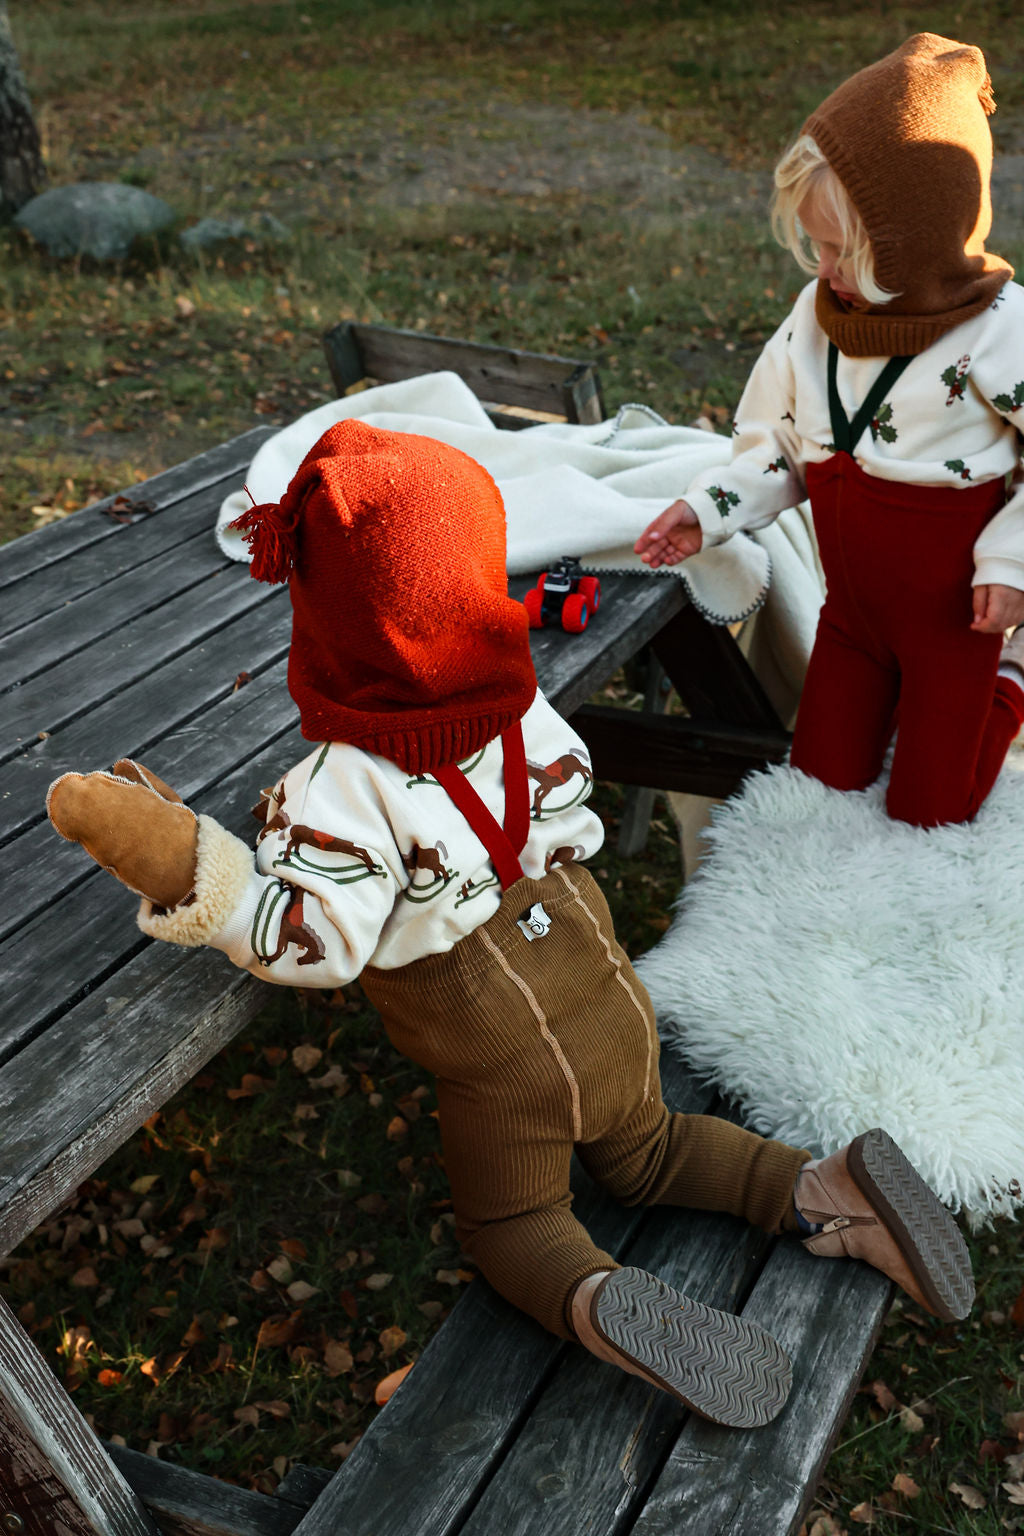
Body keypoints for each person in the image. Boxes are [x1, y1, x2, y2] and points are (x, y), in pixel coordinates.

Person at [47, 420, 973, 1428]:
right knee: (653, 1146)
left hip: (501, 1052)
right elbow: (565, 812)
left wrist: (194, 863)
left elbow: (307, 942)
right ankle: (824, 1186)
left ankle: (596, 1294)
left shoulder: (343, 790)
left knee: (514, 1221)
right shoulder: (522, 707)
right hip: (602, 984)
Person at [636, 32, 1024, 829]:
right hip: (851, 618)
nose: (822, 269)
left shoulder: (998, 331)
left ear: (916, 245)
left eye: (842, 250)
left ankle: (1011, 684)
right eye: (814, 244)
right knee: (820, 783)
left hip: (954, 621)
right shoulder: (816, 322)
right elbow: (777, 444)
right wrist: (706, 509)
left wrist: (1009, 561)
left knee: (933, 809)